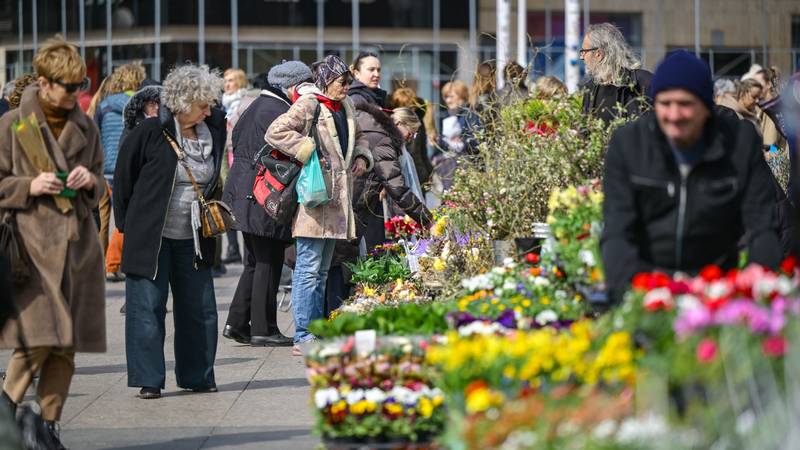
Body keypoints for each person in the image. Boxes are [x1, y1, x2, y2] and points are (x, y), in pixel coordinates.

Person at [601, 50, 783, 305]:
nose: (674, 116)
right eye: (665, 104)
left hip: (716, 286)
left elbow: (763, 228)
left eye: (685, 104)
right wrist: (629, 297)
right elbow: (617, 232)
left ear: (706, 107)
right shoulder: (629, 145)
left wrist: (752, 294)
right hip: (648, 283)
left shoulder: (739, 145)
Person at [0, 38, 106, 447]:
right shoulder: (13, 126)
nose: (75, 93)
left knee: (65, 348)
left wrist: (90, 181)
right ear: (43, 83)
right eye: (67, 86)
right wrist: (30, 184)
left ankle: (46, 427)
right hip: (29, 249)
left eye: (80, 85)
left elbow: (98, 183)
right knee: (40, 337)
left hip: (76, 249)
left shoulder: (85, 126)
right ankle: (8, 415)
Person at [114, 64, 224, 399]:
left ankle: (198, 375)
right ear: (181, 102)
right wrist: (128, 225)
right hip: (151, 235)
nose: (209, 109)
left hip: (194, 237)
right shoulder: (149, 132)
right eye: (202, 104)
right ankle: (149, 379)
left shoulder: (214, 128)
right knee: (147, 307)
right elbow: (123, 180)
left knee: (200, 308)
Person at [266, 55, 373, 355]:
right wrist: (305, 148)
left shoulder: (346, 106)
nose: (348, 86)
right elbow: (275, 132)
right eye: (343, 81)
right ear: (326, 80)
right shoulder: (310, 103)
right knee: (308, 269)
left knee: (322, 271)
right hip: (314, 200)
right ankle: (303, 334)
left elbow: (360, 138)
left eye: (350, 81)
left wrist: (363, 158)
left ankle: (316, 330)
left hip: (337, 202)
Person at [222, 60, 313, 347]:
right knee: (267, 260)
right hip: (263, 194)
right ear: (291, 86)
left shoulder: (255, 106)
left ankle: (237, 323)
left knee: (255, 260)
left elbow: (236, 141)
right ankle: (263, 327)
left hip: (244, 192)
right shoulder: (277, 110)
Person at [353, 99, 432, 249]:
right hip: (356, 202)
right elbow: (397, 186)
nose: (409, 139)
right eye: (411, 134)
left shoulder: (374, 129)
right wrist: (426, 219)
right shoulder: (383, 140)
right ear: (399, 124)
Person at [93, 62, 147, 282]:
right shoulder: (138, 103)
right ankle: (114, 262)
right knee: (127, 217)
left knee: (105, 216)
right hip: (128, 166)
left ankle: (101, 263)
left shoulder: (104, 104)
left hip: (106, 167)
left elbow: (96, 134)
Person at [580, 22, 653, 123]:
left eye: (584, 51)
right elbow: (584, 131)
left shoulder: (642, 82)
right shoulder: (590, 88)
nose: (582, 57)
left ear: (598, 54)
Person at [431, 80, 481, 193]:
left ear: (462, 97)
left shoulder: (470, 115)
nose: (448, 100)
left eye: (451, 96)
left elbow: (477, 141)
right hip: (448, 171)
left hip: (466, 169)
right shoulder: (449, 116)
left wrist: (462, 141)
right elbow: (442, 145)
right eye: (446, 97)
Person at [221, 68, 249, 265]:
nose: (227, 84)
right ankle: (232, 247)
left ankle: (243, 246)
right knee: (227, 202)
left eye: (231, 80)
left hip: (236, 154)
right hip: (224, 155)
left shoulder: (243, 103)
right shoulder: (224, 104)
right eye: (225, 80)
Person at [390, 87, 433, 188]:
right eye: (407, 107)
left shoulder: (418, 125)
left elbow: (423, 150)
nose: (411, 110)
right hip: (402, 173)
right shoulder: (393, 126)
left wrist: (429, 172)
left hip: (419, 173)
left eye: (412, 107)